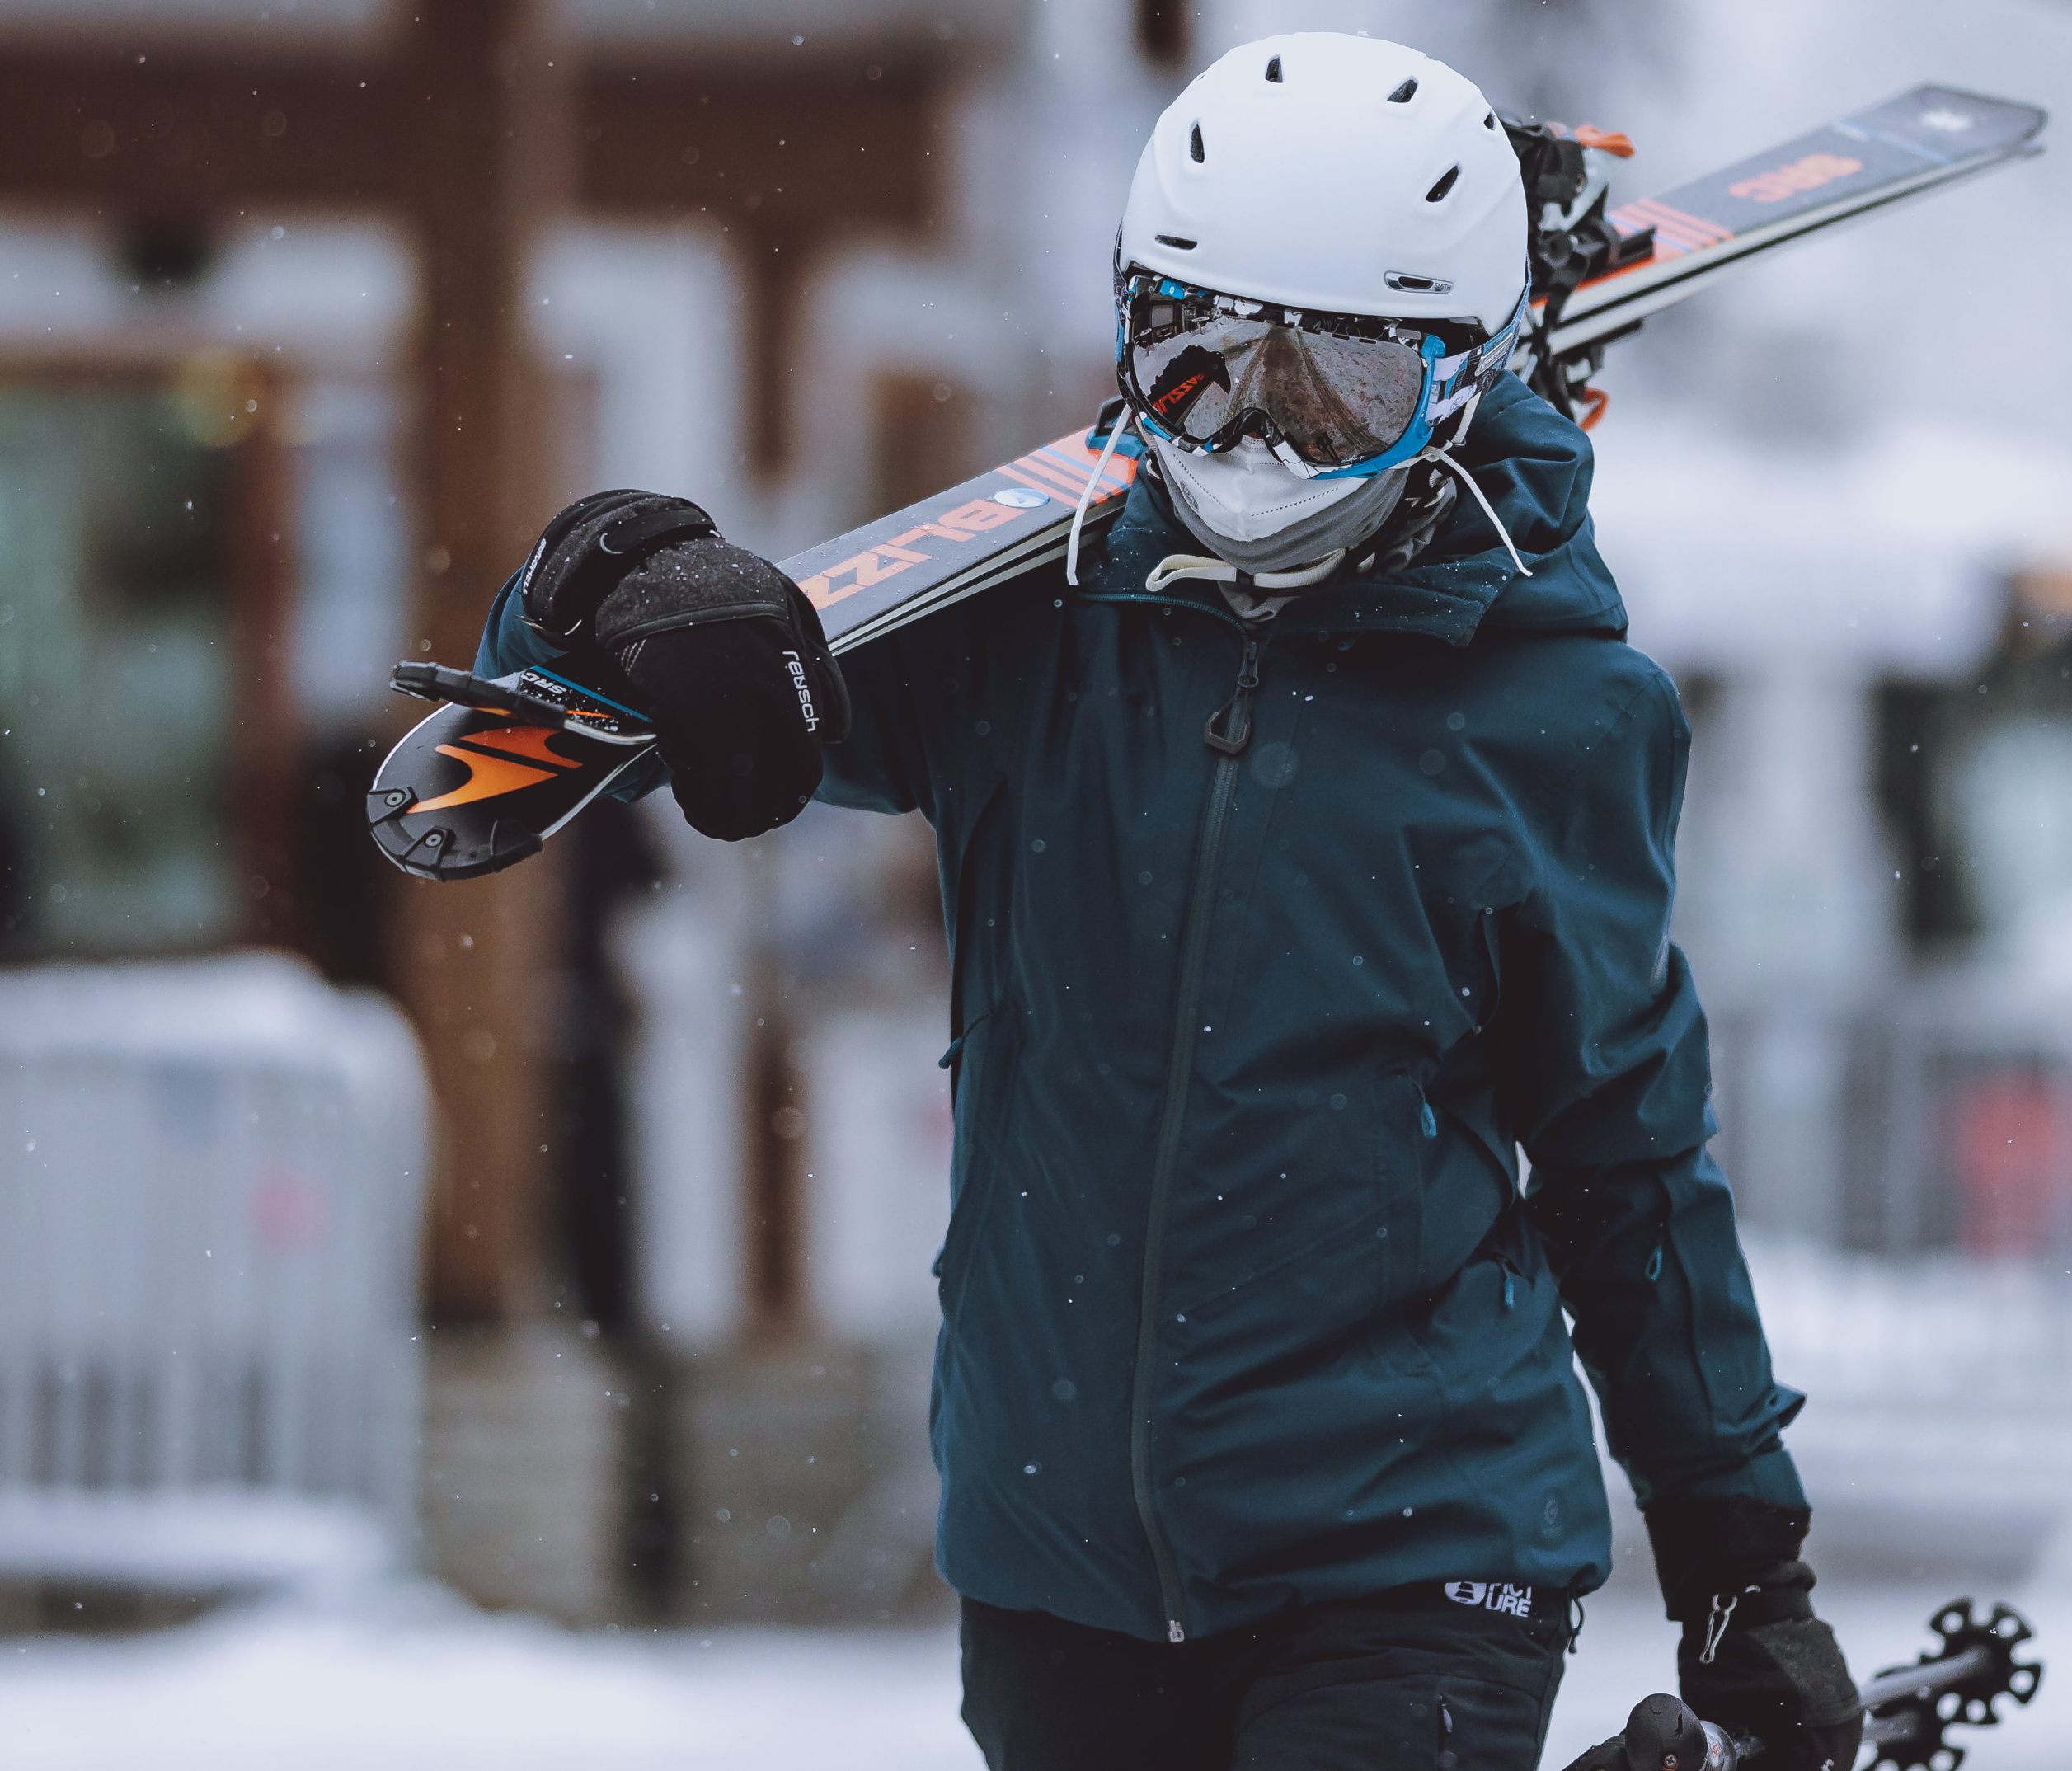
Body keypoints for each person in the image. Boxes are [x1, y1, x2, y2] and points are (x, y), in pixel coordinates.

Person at [476, 32, 1860, 1771]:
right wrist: (609, 583)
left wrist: (1742, 1562)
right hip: (1056, 1557)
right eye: (1199, 360)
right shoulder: (1027, 629)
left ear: (1459, 381)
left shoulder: (1549, 710)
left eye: (1341, 380)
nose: (1260, 434)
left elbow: (1626, 1156)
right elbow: (607, 702)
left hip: (1414, 1550)